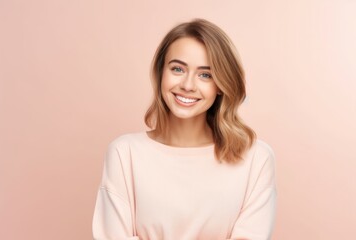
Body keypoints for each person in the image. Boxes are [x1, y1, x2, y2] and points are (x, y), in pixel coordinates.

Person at [92, 18, 276, 240]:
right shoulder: (124, 153)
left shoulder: (255, 158)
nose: (188, 85)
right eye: (178, 69)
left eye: (205, 74)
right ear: (161, 73)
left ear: (221, 84)